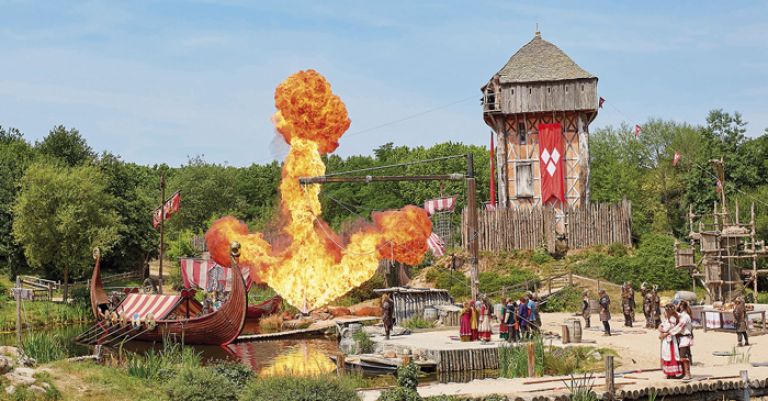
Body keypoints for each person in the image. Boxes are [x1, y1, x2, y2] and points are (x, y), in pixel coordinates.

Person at [659, 304, 683, 379]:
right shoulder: (669, 318)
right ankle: (669, 373)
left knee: (671, 355)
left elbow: (666, 328)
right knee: (666, 354)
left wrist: (661, 330)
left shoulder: (673, 318)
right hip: (667, 338)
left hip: (671, 339)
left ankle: (672, 373)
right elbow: (662, 325)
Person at [675, 300, 694, 380]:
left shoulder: (685, 316)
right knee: (680, 356)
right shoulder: (682, 315)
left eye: (680, 305)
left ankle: (687, 374)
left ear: (682, 307)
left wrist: (671, 332)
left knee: (683, 356)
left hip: (685, 338)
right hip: (682, 337)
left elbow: (680, 327)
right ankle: (683, 373)